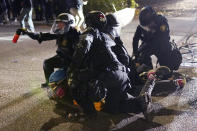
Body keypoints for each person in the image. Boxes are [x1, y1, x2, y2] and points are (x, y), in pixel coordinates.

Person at [67, 11, 153, 120]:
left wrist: (73, 67)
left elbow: (83, 46)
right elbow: (124, 57)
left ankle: (88, 113)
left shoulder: (91, 32)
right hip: (120, 75)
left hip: (108, 74)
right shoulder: (107, 36)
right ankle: (141, 102)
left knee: (75, 82)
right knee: (112, 108)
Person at [20, 13, 80, 88]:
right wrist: (27, 32)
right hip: (62, 57)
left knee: (69, 83)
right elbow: (42, 36)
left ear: (69, 24)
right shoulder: (61, 31)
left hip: (71, 60)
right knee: (47, 63)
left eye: (61, 23)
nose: (59, 25)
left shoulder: (77, 35)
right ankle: (49, 83)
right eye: (58, 23)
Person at [132, 6, 180, 73]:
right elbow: (135, 39)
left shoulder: (162, 22)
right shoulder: (141, 26)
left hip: (161, 44)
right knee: (141, 56)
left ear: (153, 19)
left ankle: (166, 68)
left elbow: (164, 40)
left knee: (167, 58)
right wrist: (136, 53)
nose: (147, 27)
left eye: (148, 25)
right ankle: (147, 70)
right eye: (145, 26)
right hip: (149, 43)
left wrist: (154, 32)